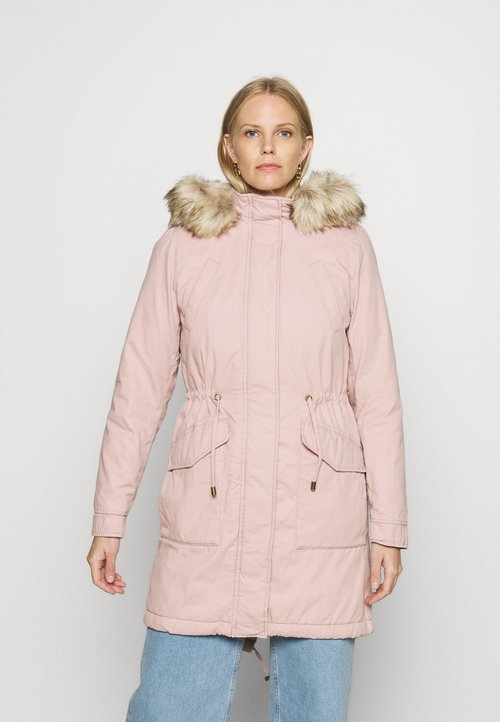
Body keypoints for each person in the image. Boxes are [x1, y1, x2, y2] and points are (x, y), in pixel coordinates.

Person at [86, 75, 408, 722]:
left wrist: (389, 528)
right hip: (208, 516)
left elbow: (376, 394)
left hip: (319, 520)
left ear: (305, 146)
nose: (267, 146)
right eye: (252, 132)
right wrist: (108, 518)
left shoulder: (347, 248)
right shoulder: (183, 247)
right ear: (228, 146)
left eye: (283, 132)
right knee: (168, 708)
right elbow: (139, 390)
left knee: (316, 712)